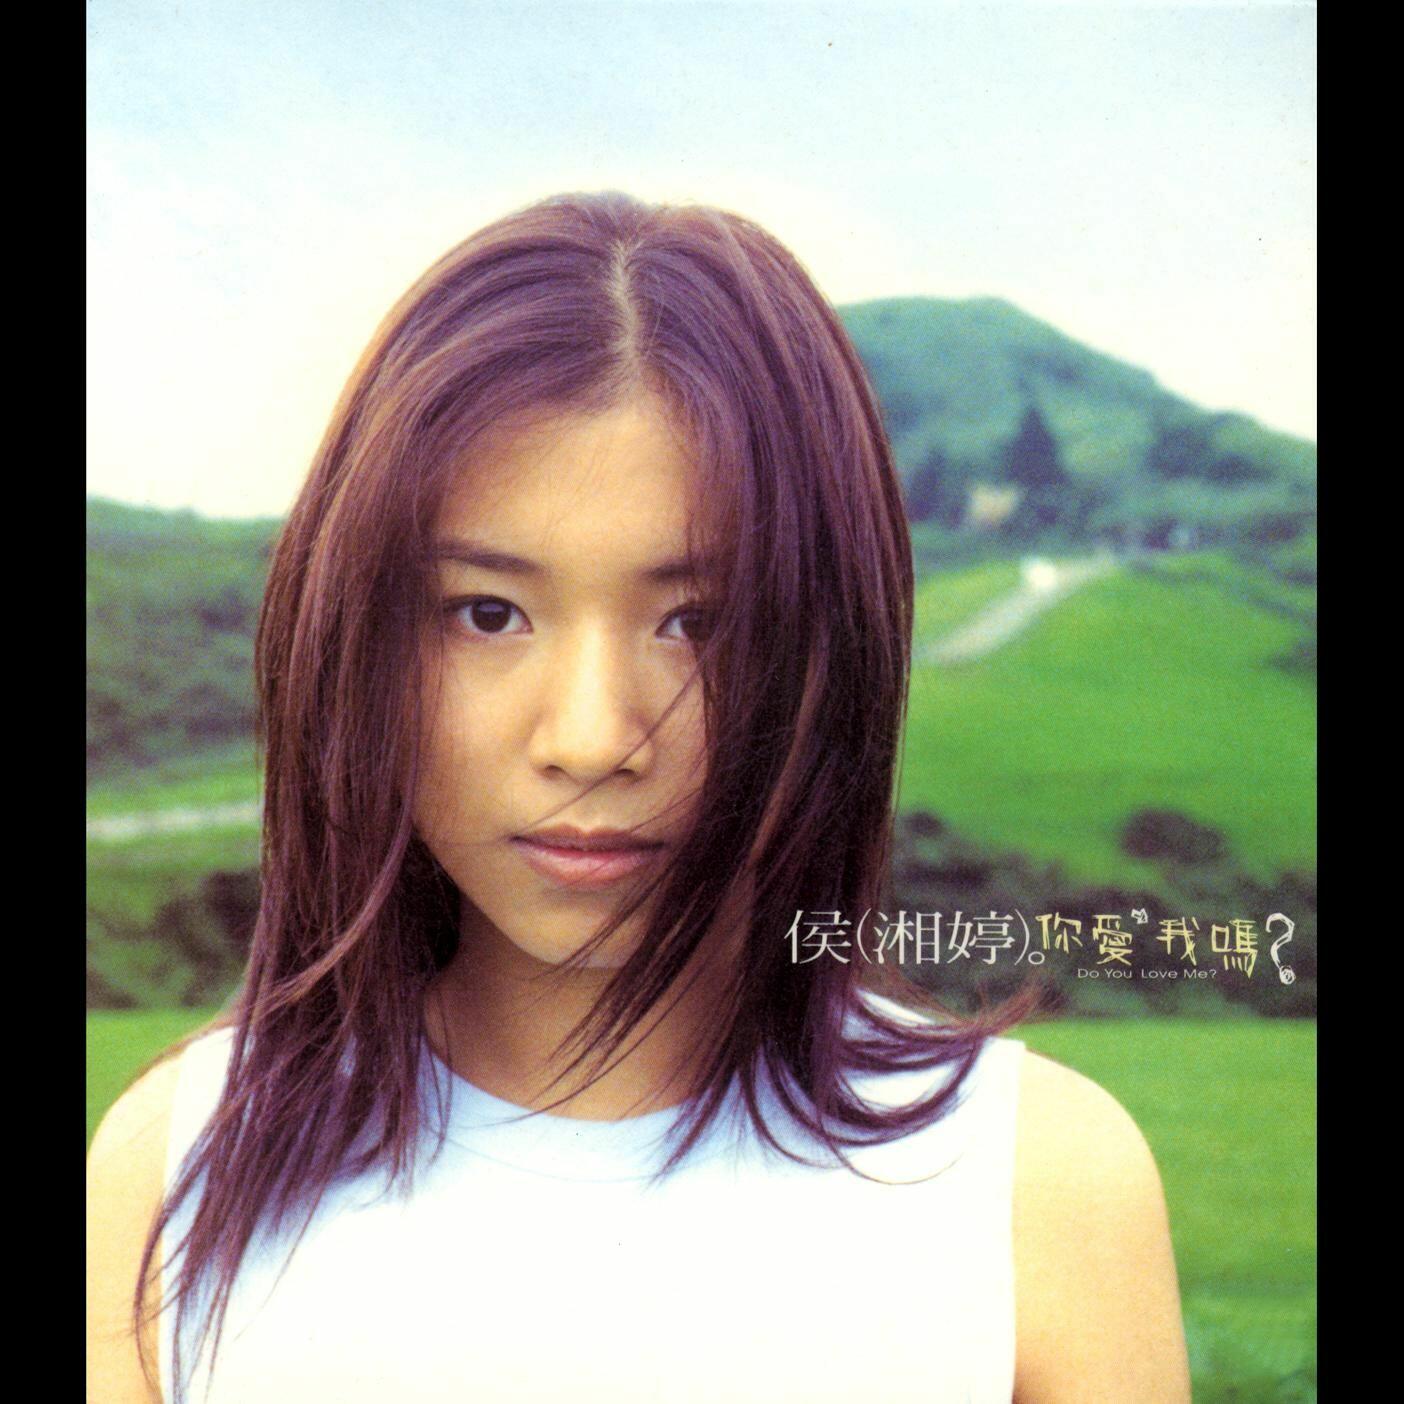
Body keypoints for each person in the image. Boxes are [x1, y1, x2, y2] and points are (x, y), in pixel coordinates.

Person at [87, 192, 1191, 1403]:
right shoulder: (172, 1173)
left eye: (698, 624)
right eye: (487, 613)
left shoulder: (1039, 1188)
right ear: (352, 640)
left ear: (838, 650)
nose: (591, 739)